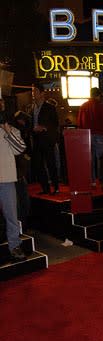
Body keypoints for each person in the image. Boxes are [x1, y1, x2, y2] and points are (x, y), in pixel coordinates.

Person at [0, 99, 27, 262]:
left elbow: (20, 149)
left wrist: (7, 129)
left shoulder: (12, 130)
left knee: (11, 215)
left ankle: (14, 245)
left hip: (7, 179)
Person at [77, 87, 103, 189]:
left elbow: (79, 122)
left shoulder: (83, 106)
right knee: (102, 159)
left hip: (86, 136)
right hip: (99, 136)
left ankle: (92, 181)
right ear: (98, 95)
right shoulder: (101, 106)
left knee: (90, 160)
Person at [31, 82, 60, 195]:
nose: (33, 94)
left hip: (47, 140)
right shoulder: (32, 108)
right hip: (37, 139)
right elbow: (31, 123)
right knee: (38, 165)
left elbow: (55, 123)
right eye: (33, 91)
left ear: (42, 93)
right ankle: (45, 188)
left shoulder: (49, 107)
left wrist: (44, 128)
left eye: (36, 91)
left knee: (50, 163)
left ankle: (56, 187)